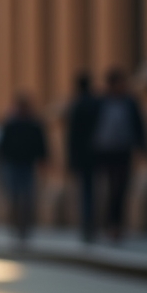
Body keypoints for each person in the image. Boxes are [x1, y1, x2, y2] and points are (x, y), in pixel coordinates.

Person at [92, 68, 146, 243]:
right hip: (105, 151)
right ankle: (109, 224)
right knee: (108, 188)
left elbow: (138, 125)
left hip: (123, 150)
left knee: (121, 188)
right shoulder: (101, 103)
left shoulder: (129, 102)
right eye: (120, 83)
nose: (123, 86)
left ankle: (117, 225)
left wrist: (143, 146)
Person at [0, 94, 48, 244]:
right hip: (15, 165)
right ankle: (17, 227)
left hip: (25, 165)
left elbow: (41, 145)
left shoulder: (30, 124)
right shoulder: (12, 124)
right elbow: (3, 147)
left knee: (25, 198)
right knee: (17, 197)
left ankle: (23, 228)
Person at [66, 73, 101, 243]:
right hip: (99, 154)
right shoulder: (97, 103)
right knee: (96, 190)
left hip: (83, 157)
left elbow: (72, 137)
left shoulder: (77, 105)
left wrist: (71, 160)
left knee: (86, 192)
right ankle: (94, 225)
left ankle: (87, 226)